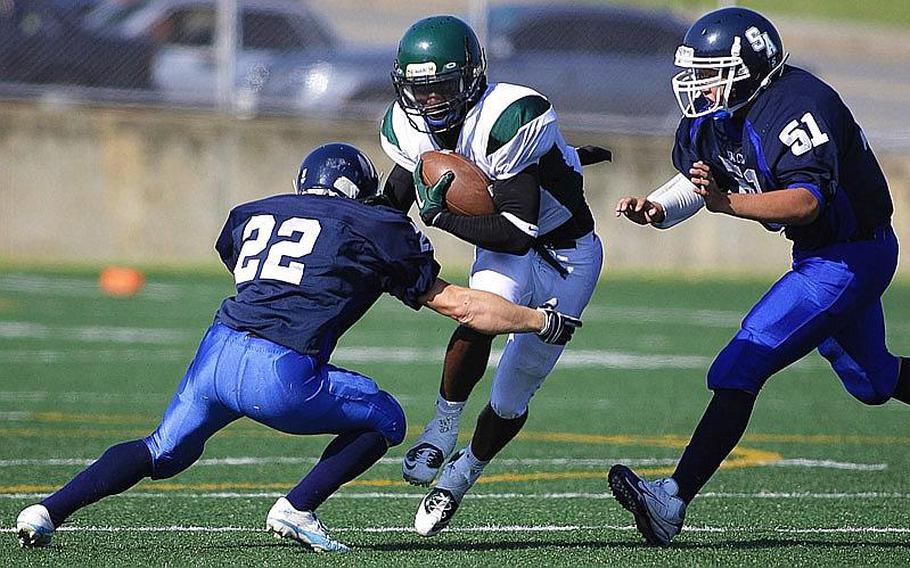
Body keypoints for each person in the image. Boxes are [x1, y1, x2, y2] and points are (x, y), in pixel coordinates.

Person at [15, 143, 582, 553]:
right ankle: (297, 507)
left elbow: (250, 260)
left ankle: (47, 510)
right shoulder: (375, 229)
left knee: (161, 450)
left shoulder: (254, 212)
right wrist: (539, 319)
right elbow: (463, 306)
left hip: (216, 353)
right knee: (384, 418)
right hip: (282, 373)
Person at [610, 7, 910, 546]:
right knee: (873, 381)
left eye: (710, 71)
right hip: (826, 254)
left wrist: (729, 205)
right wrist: (658, 208)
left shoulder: (798, 106)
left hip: (848, 256)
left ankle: (672, 499)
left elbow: (806, 201)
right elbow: (700, 180)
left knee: (742, 362)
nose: (698, 85)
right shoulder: (716, 115)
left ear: (748, 68)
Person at [379, 15, 608, 536]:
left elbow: (516, 231)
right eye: (421, 89)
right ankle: (441, 427)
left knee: (512, 394)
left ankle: (459, 477)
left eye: (443, 87)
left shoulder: (508, 118)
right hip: (505, 244)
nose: (432, 101)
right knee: (481, 315)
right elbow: (400, 189)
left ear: (473, 78)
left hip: (566, 253)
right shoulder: (408, 125)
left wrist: (441, 217)